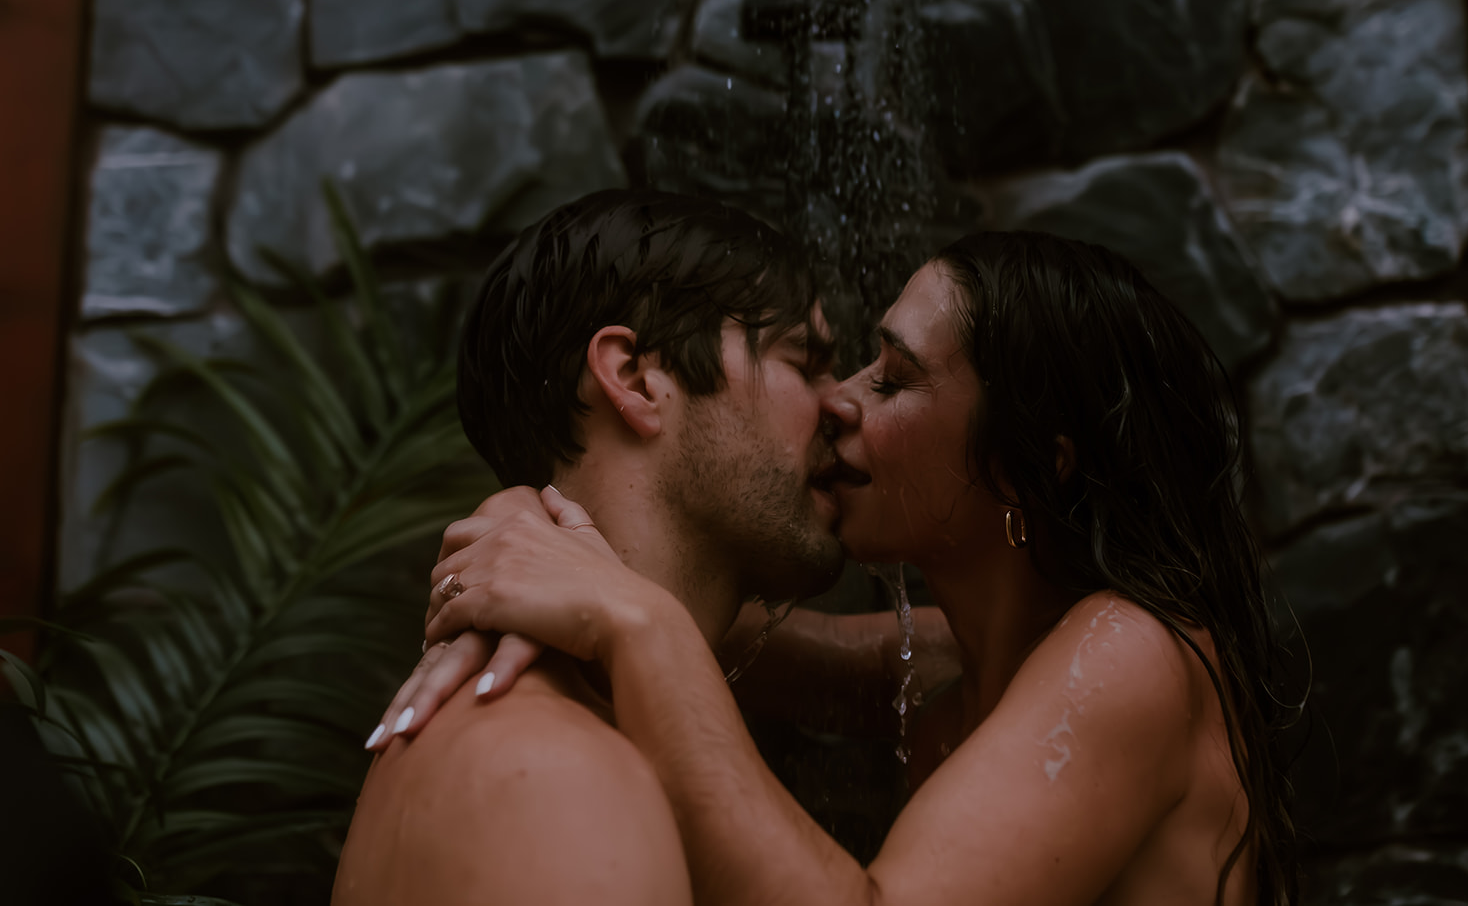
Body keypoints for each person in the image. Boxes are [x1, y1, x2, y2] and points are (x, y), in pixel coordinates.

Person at [401, 231, 1298, 905]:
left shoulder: (1130, 649)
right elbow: (663, 583)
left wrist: (639, 624)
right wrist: (523, 519)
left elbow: (649, 611)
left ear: (1034, 460)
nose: (840, 401)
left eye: (893, 378)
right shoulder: (956, 664)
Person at [333, 188, 872, 906]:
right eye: (804, 362)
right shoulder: (552, 773)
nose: (841, 402)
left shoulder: (546, 729)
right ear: (633, 378)